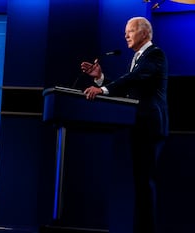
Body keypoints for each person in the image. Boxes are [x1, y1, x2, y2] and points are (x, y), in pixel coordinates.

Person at [80, 16, 168, 233]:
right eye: (125, 31)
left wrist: (103, 90)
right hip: (138, 127)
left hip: (150, 127)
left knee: (145, 184)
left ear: (144, 33)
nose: (125, 35)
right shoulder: (138, 57)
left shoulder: (154, 54)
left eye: (130, 30)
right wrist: (100, 79)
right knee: (140, 184)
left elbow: (135, 78)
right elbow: (129, 89)